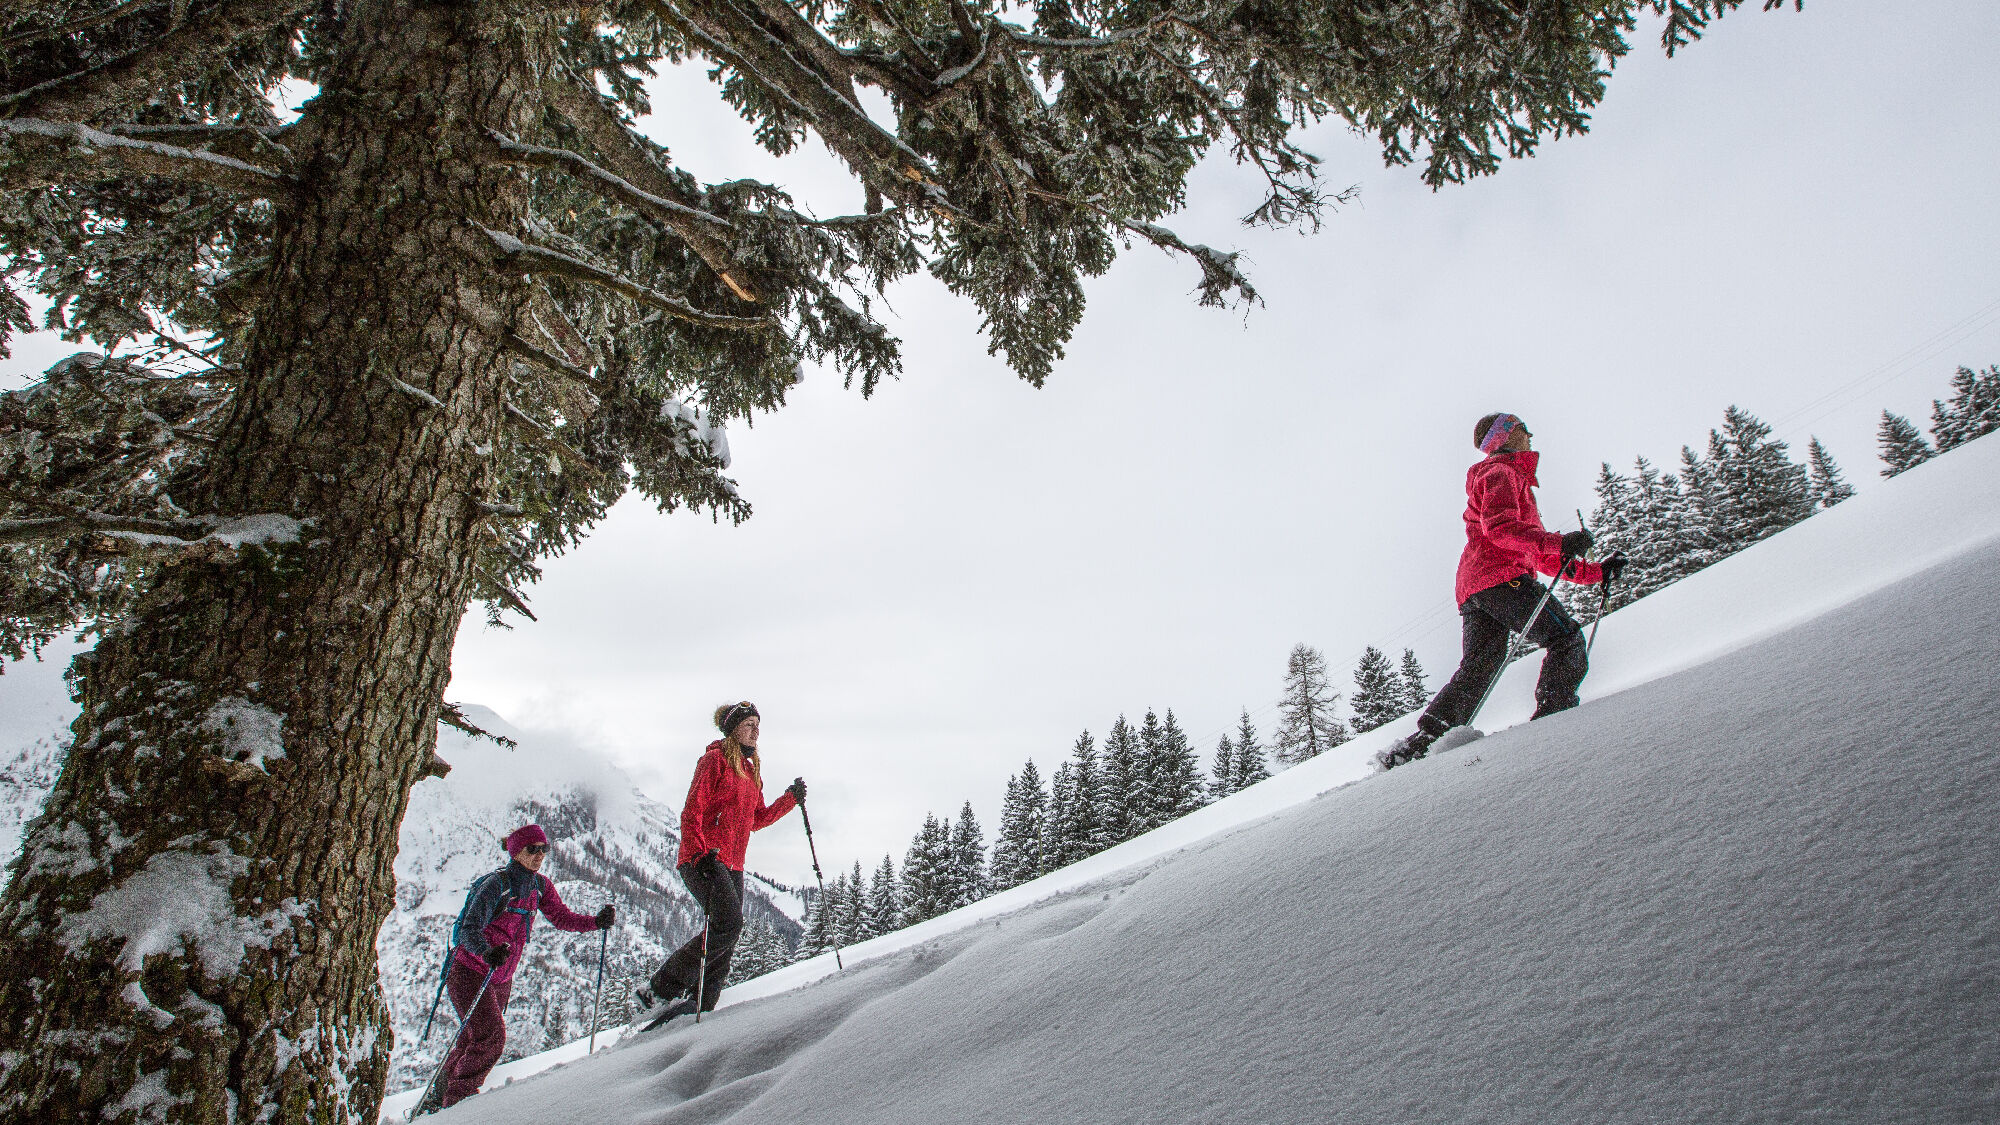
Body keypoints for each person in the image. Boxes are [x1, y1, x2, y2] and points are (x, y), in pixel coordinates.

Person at [1382, 412, 1628, 768]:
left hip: (1476, 585)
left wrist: (1594, 572)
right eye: (1522, 428)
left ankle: (1420, 743)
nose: (1530, 434)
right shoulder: (1501, 472)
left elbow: (1532, 550)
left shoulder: (1507, 477)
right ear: (1506, 436)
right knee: (1566, 639)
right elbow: (1502, 530)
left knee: (1481, 664)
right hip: (1501, 577)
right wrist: (1560, 542)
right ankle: (1554, 720)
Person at [637, 700, 805, 1025]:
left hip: (734, 865)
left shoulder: (751, 769)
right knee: (729, 925)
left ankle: (700, 1004)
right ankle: (658, 990)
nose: (756, 731)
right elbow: (693, 810)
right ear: (733, 729)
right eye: (749, 725)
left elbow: (757, 818)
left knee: (726, 934)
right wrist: (700, 853)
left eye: (758, 725)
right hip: (704, 858)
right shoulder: (713, 760)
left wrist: (789, 800)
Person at [437, 824, 614, 1107]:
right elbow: (468, 930)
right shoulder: (495, 885)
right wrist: (487, 952)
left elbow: (561, 917)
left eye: (544, 849)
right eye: (533, 849)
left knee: (473, 1038)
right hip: (469, 972)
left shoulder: (540, 886)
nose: (540, 855)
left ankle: (440, 1099)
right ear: (516, 851)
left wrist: (596, 922)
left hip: (499, 978)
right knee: (491, 1038)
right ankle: (457, 1104)